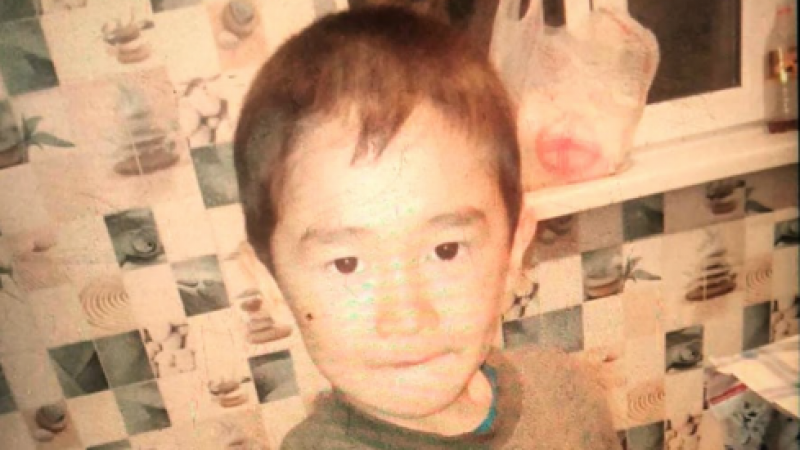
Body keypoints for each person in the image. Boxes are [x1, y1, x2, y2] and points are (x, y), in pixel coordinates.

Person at [233, 6, 619, 449]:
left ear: (513, 251)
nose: (406, 317)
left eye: (445, 251)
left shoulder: (567, 396)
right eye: (346, 264)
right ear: (272, 287)